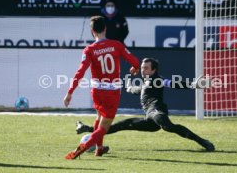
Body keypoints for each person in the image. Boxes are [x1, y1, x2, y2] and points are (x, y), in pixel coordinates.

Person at [75, 58, 215, 152]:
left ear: (153, 70)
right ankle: (85, 128)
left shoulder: (157, 79)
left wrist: (193, 85)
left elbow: (172, 83)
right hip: (150, 119)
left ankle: (203, 142)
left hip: (157, 111)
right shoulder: (145, 84)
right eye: (142, 68)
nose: (143, 70)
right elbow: (133, 89)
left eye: (146, 68)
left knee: (168, 126)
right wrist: (129, 81)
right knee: (120, 125)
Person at [64, 15, 139, 160]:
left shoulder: (89, 50)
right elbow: (135, 61)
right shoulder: (117, 45)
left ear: (92, 31)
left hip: (97, 91)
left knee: (99, 117)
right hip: (112, 91)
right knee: (104, 128)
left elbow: (80, 72)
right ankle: (78, 151)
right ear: (105, 28)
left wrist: (70, 92)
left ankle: (99, 149)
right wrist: (135, 68)